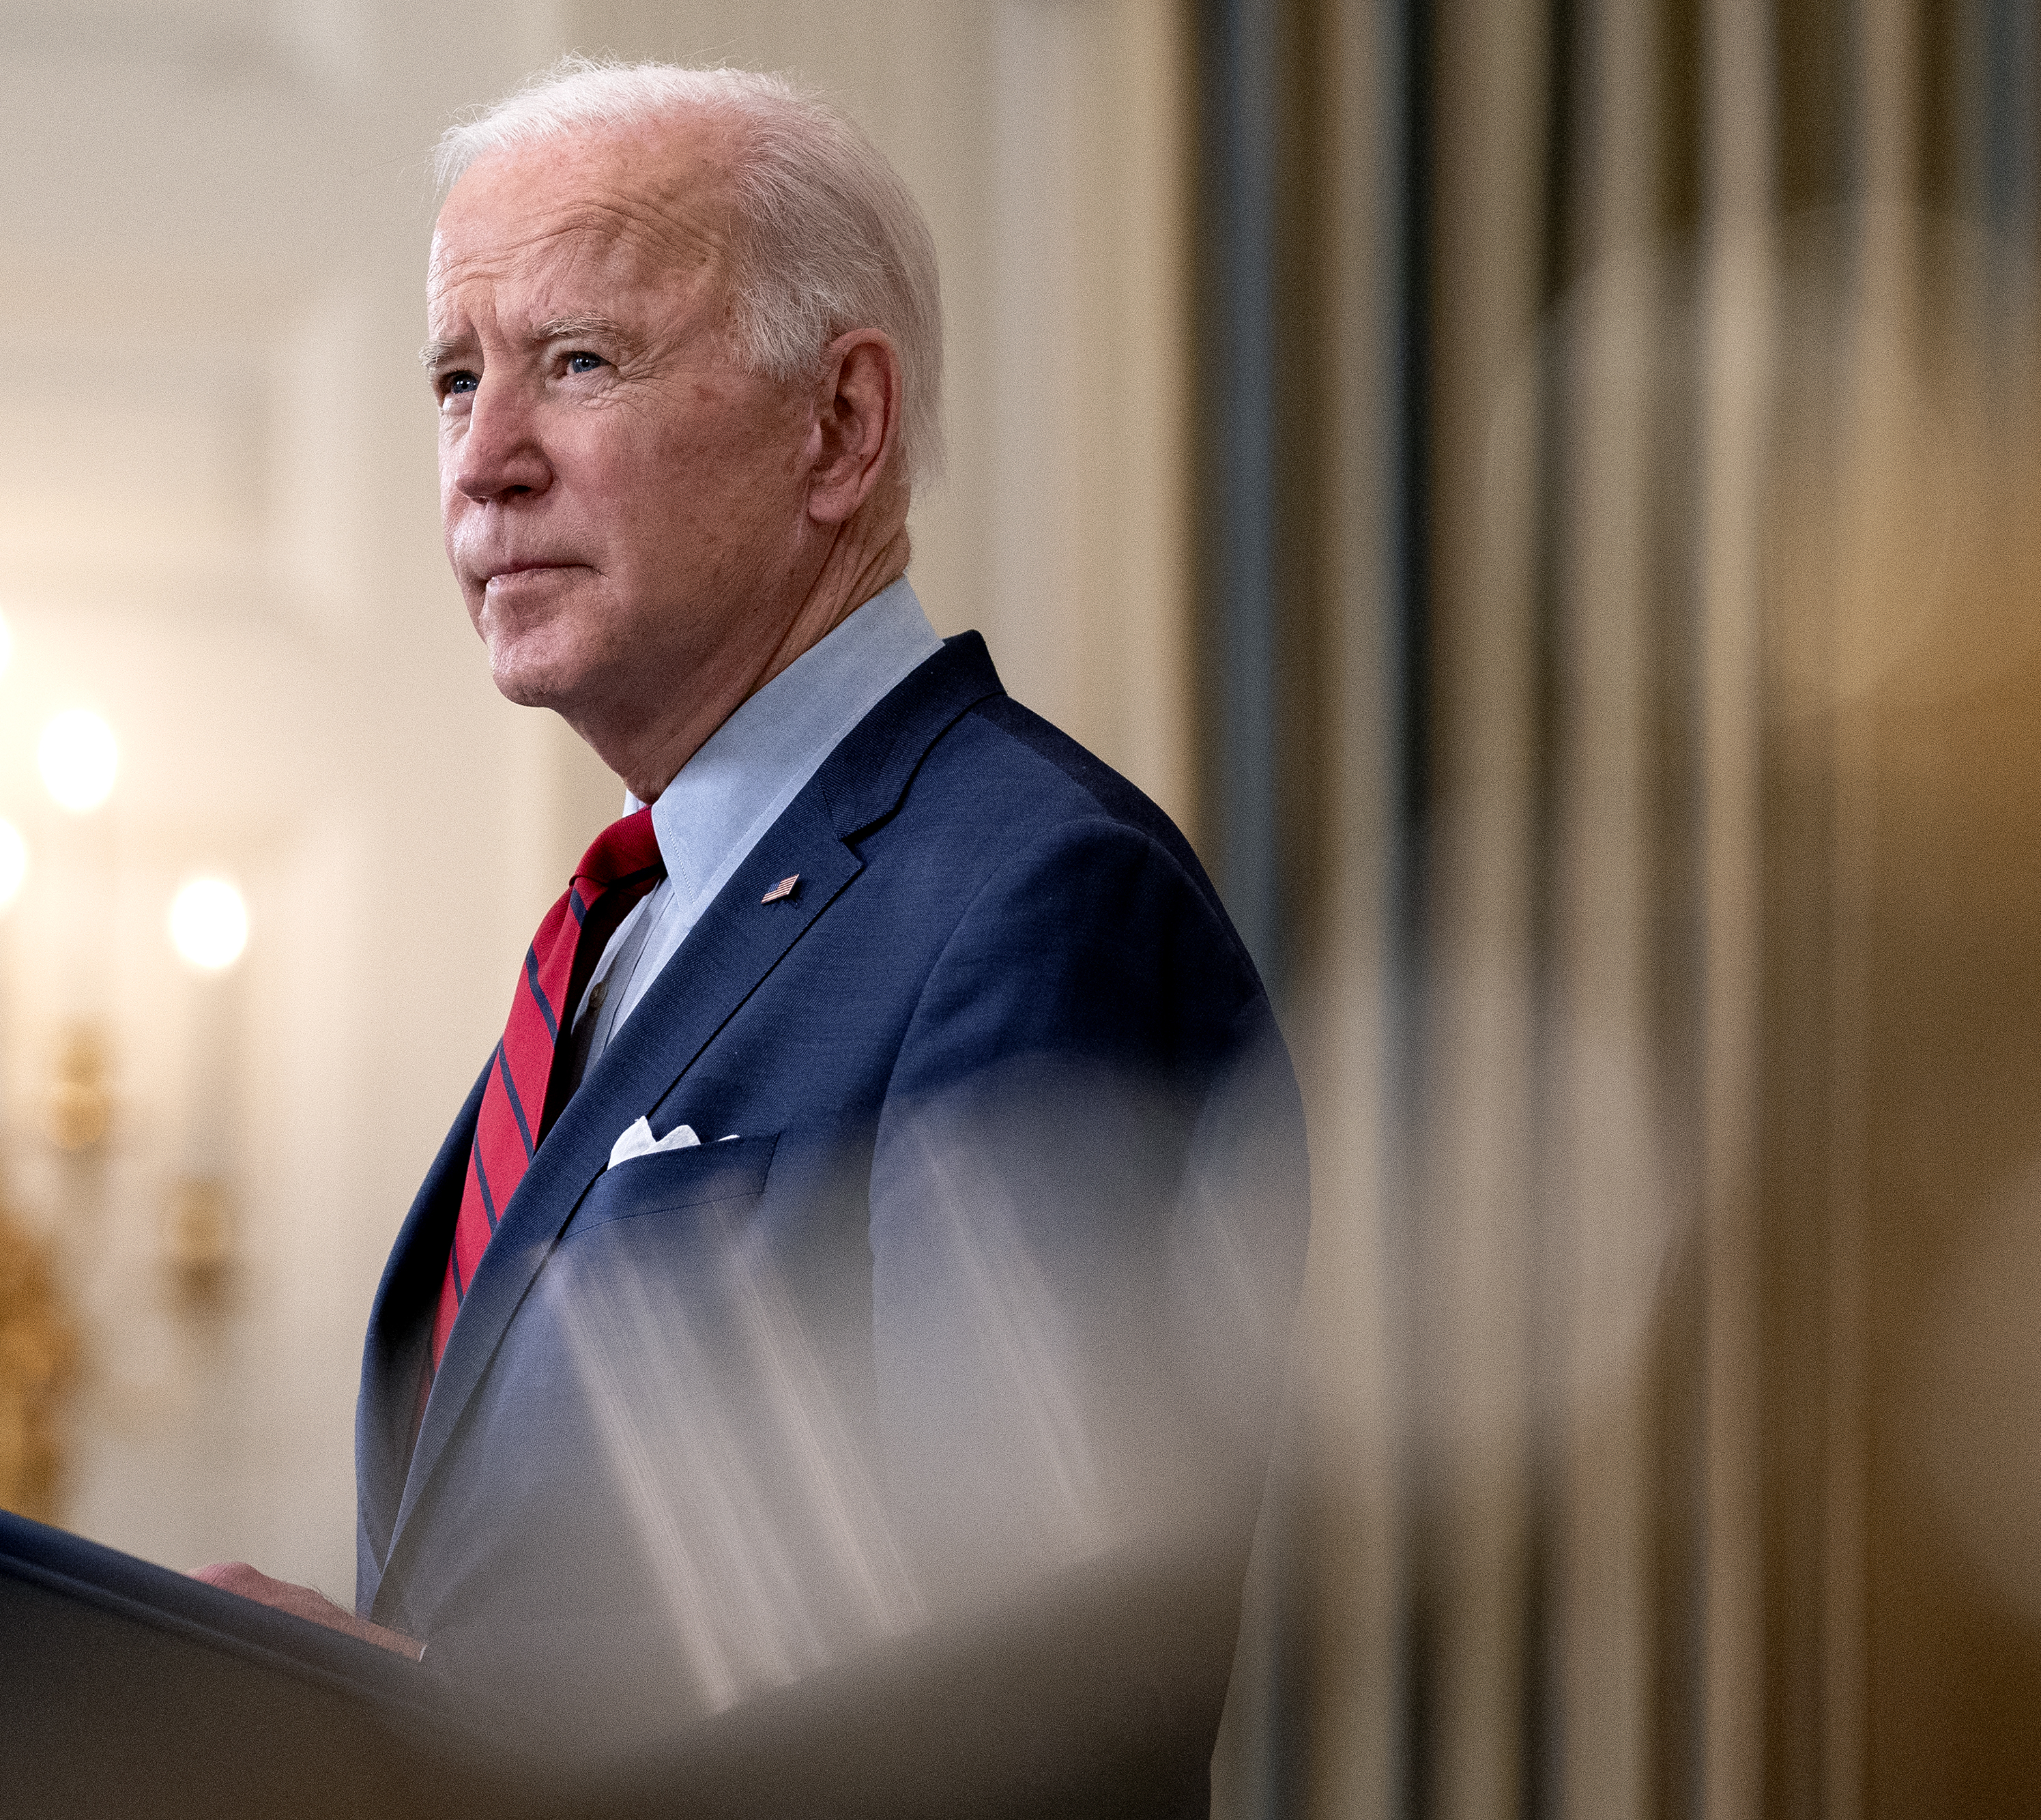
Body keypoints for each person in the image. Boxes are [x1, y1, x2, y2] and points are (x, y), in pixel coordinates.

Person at [194, 59, 1306, 1815]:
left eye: (578, 361)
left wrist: (433, 1737)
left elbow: (1041, 1714)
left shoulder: (1031, 901)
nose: (485, 461)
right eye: (453, 378)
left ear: (839, 429)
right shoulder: (634, 927)